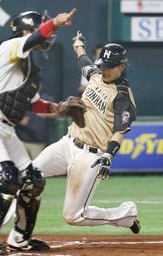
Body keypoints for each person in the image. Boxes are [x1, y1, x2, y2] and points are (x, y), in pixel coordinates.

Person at [0, 8, 76, 255]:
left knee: (34, 180)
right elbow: (34, 38)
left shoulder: (30, 71)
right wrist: (54, 23)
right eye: (36, 30)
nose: (43, 37)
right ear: (25, 30)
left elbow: (34, 104)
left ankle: (20, 239)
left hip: (6, 129)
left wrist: (61, 108)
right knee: (6, 178)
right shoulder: (11, 46)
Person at [33, 32, 141, 235]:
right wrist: (78, 44)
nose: (105, 69)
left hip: (91, 156)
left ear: (122, 67)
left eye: (110, 66)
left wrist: (109, 156)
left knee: (73, 216)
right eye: (103, 64)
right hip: (67, 144)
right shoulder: (96, 74)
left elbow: (119, 131)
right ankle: (17, 232)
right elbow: (83, 60)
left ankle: (125, 214)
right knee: (30, 174)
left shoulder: (122, 96)